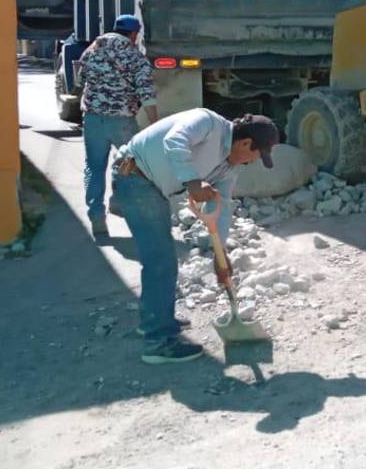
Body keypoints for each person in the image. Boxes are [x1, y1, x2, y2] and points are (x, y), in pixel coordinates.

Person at [112, 110, 280, 364]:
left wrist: (220, 254)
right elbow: (174, 141)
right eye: (257, 154)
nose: (253, 161)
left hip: (150, 186)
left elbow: (221, 207)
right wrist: (192, 182)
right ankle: (158, 342)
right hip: (134, 176)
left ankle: (156, 320)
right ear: (245, 143)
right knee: (161, 260)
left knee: (162, 256)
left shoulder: (228, 168)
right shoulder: (207, 123)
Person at [78, 14, 158, 238]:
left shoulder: (93, 48)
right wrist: (154, 123)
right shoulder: (134, 56)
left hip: (93, 119)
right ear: (134, 33)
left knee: (94, 168)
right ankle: (120, 202)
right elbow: (146, 93)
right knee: (129, 164)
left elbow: (78, 79)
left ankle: (96, 215)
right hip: (122, 120)